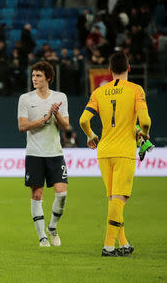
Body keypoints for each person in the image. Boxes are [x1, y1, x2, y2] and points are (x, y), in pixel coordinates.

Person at [79, 52, 151, 256]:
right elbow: (145, 122)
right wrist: (143, 136)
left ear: (110, 71)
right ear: (129, 68)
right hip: (124, 151)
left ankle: (124, 243)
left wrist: (91, 135)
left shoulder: (99, 92)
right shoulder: (136, 90)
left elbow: (83, 120)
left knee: (113, 199)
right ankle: (108, 246)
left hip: (104, 150)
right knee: (119, 199)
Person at [17, 61, 70, 247]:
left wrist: (56, 115)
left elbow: (66, 127)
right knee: (37, 195)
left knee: (62, 194)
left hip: (55, 153)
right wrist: (45, 119)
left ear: (48, 77)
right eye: (33, 76)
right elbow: (22, 126)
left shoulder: (60, 97)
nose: (34, 79)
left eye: (38, 76)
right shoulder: (25, 99)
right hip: (34, 153)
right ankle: (42, 237)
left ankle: (53, 227)